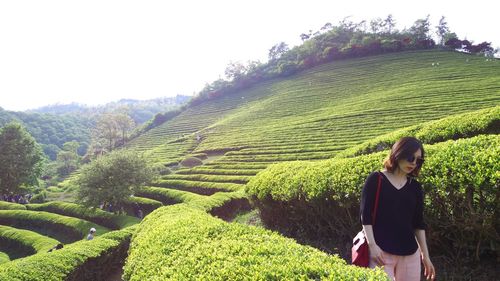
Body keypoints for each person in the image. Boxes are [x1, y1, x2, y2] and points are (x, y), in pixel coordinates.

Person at [360, 137, 435, 281]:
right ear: (398, 153)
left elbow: (418, 223)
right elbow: (365, 216)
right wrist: (372, 246)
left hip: (410, 254)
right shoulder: (376, 179)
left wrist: (425, 256)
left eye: (418, 160)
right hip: (380, 252)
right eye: (410, 157)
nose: (413, 163)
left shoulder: (415, 187)